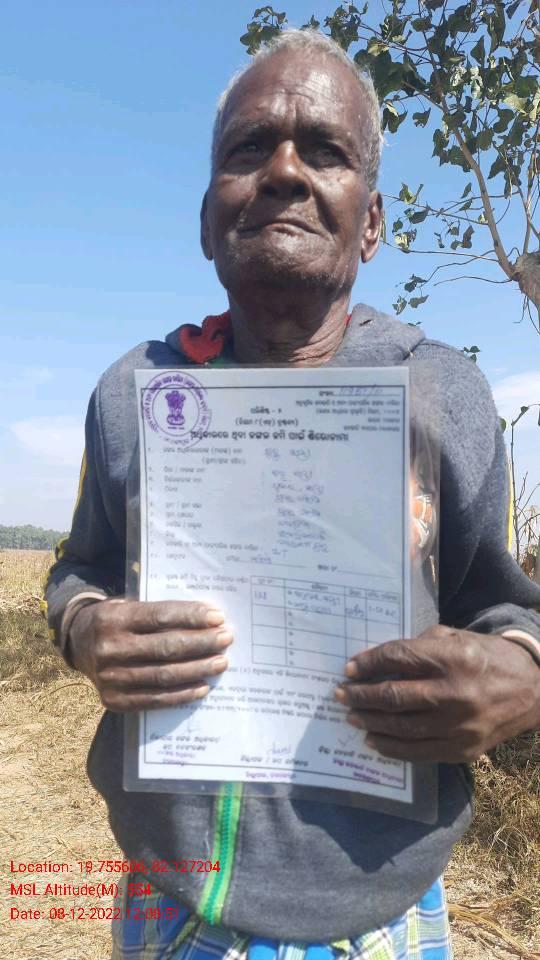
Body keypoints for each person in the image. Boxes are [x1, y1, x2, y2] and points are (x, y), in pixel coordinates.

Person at [45, 29, 540, 960]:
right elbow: (78, 569)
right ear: (207, 221)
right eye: (248, 148)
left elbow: (508, 608)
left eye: (324, 150)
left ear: (372, 221)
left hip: (379, 910)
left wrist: (523, 675)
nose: (283, 171)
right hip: (171, 896)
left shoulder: (444, 391)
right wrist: (85, 628)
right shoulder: (133, 394)